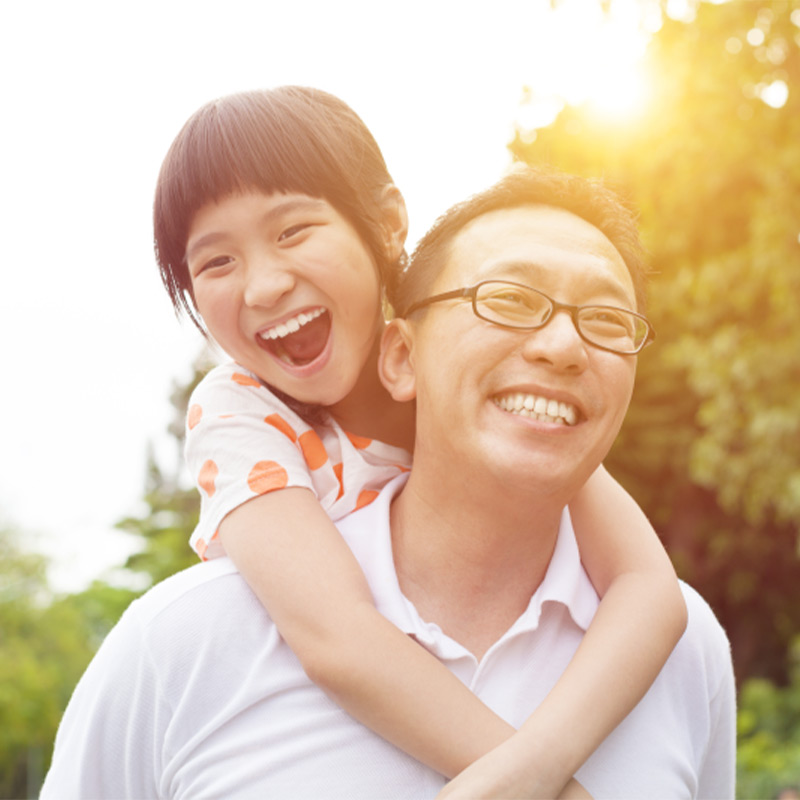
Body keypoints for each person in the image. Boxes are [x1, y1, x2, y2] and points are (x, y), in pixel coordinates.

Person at [41, 94, 708, 798]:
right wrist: (542, 786)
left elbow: (649, 593)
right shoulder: (239, 413)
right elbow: (338, 640)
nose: (265, 284)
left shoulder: (468, 378)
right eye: (215, 263)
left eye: (294, 230)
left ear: (388, 225)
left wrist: (540, 767)